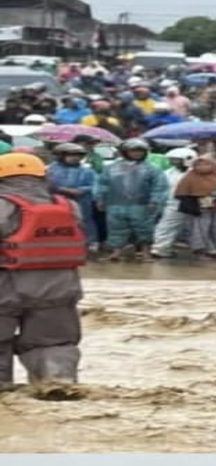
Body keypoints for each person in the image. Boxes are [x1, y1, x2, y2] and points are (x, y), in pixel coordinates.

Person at [0, 153, 86, 389]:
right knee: (54, 342)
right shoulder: (68, 205)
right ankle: (56, 381)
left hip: (5, 285)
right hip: (59, 287)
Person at [94, 138, 168, 263]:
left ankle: (145, 253)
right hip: (115, 204)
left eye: (140, 151)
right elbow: (102, 184)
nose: (137, 153)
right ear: (125, 151)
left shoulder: (152, 168)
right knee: (115, 229)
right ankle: (116, 253)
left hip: (142, 205)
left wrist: (155, 200)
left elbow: (159, 186)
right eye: (133, 151)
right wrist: (99, 198)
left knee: (144, 229)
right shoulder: (112, 167)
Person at [44, 142, 98, 255]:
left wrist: (81, 190)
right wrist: (60, 189)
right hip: (57, 200)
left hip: (82, 200)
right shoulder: (49, 170)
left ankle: (89, 243)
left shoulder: (87, 170)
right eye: (72, 155)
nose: (75, 158)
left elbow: (95, 185)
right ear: (61, 156)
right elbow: (44, 184)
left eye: (78, 155)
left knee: (84, 221)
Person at [149, 147, 197, 259]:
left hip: (194, 204)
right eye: (172, 159)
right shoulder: (169, 172)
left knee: (197, 228)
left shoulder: (196, 172)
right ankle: (160, 248)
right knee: (166, 226)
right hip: (173, 203)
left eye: (177, 160)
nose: (173, 162)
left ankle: (203, 250)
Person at [172, 156, 216, 259]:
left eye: (206, 164)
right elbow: (182, 192)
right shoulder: (190, 177)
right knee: (200, 229)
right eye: (199, 165)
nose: (202, 167)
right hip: (198, 207)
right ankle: (201, 250)